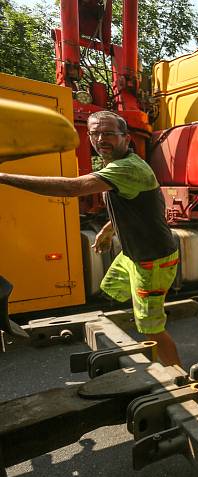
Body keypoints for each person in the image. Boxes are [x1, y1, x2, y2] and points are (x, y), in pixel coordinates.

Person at [0, 110, 182, 367]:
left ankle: (179, 377)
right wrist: (108, 230)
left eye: (108, 133)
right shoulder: (117, 165)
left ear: (126, 138)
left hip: (151, 261)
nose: (100, 139)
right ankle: (144, 312)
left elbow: (71, 188)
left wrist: (3, 177)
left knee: (151, 327)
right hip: (134, 255)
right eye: (94, 133)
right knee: (111, 289)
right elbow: (136, 206)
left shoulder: (128, 168)